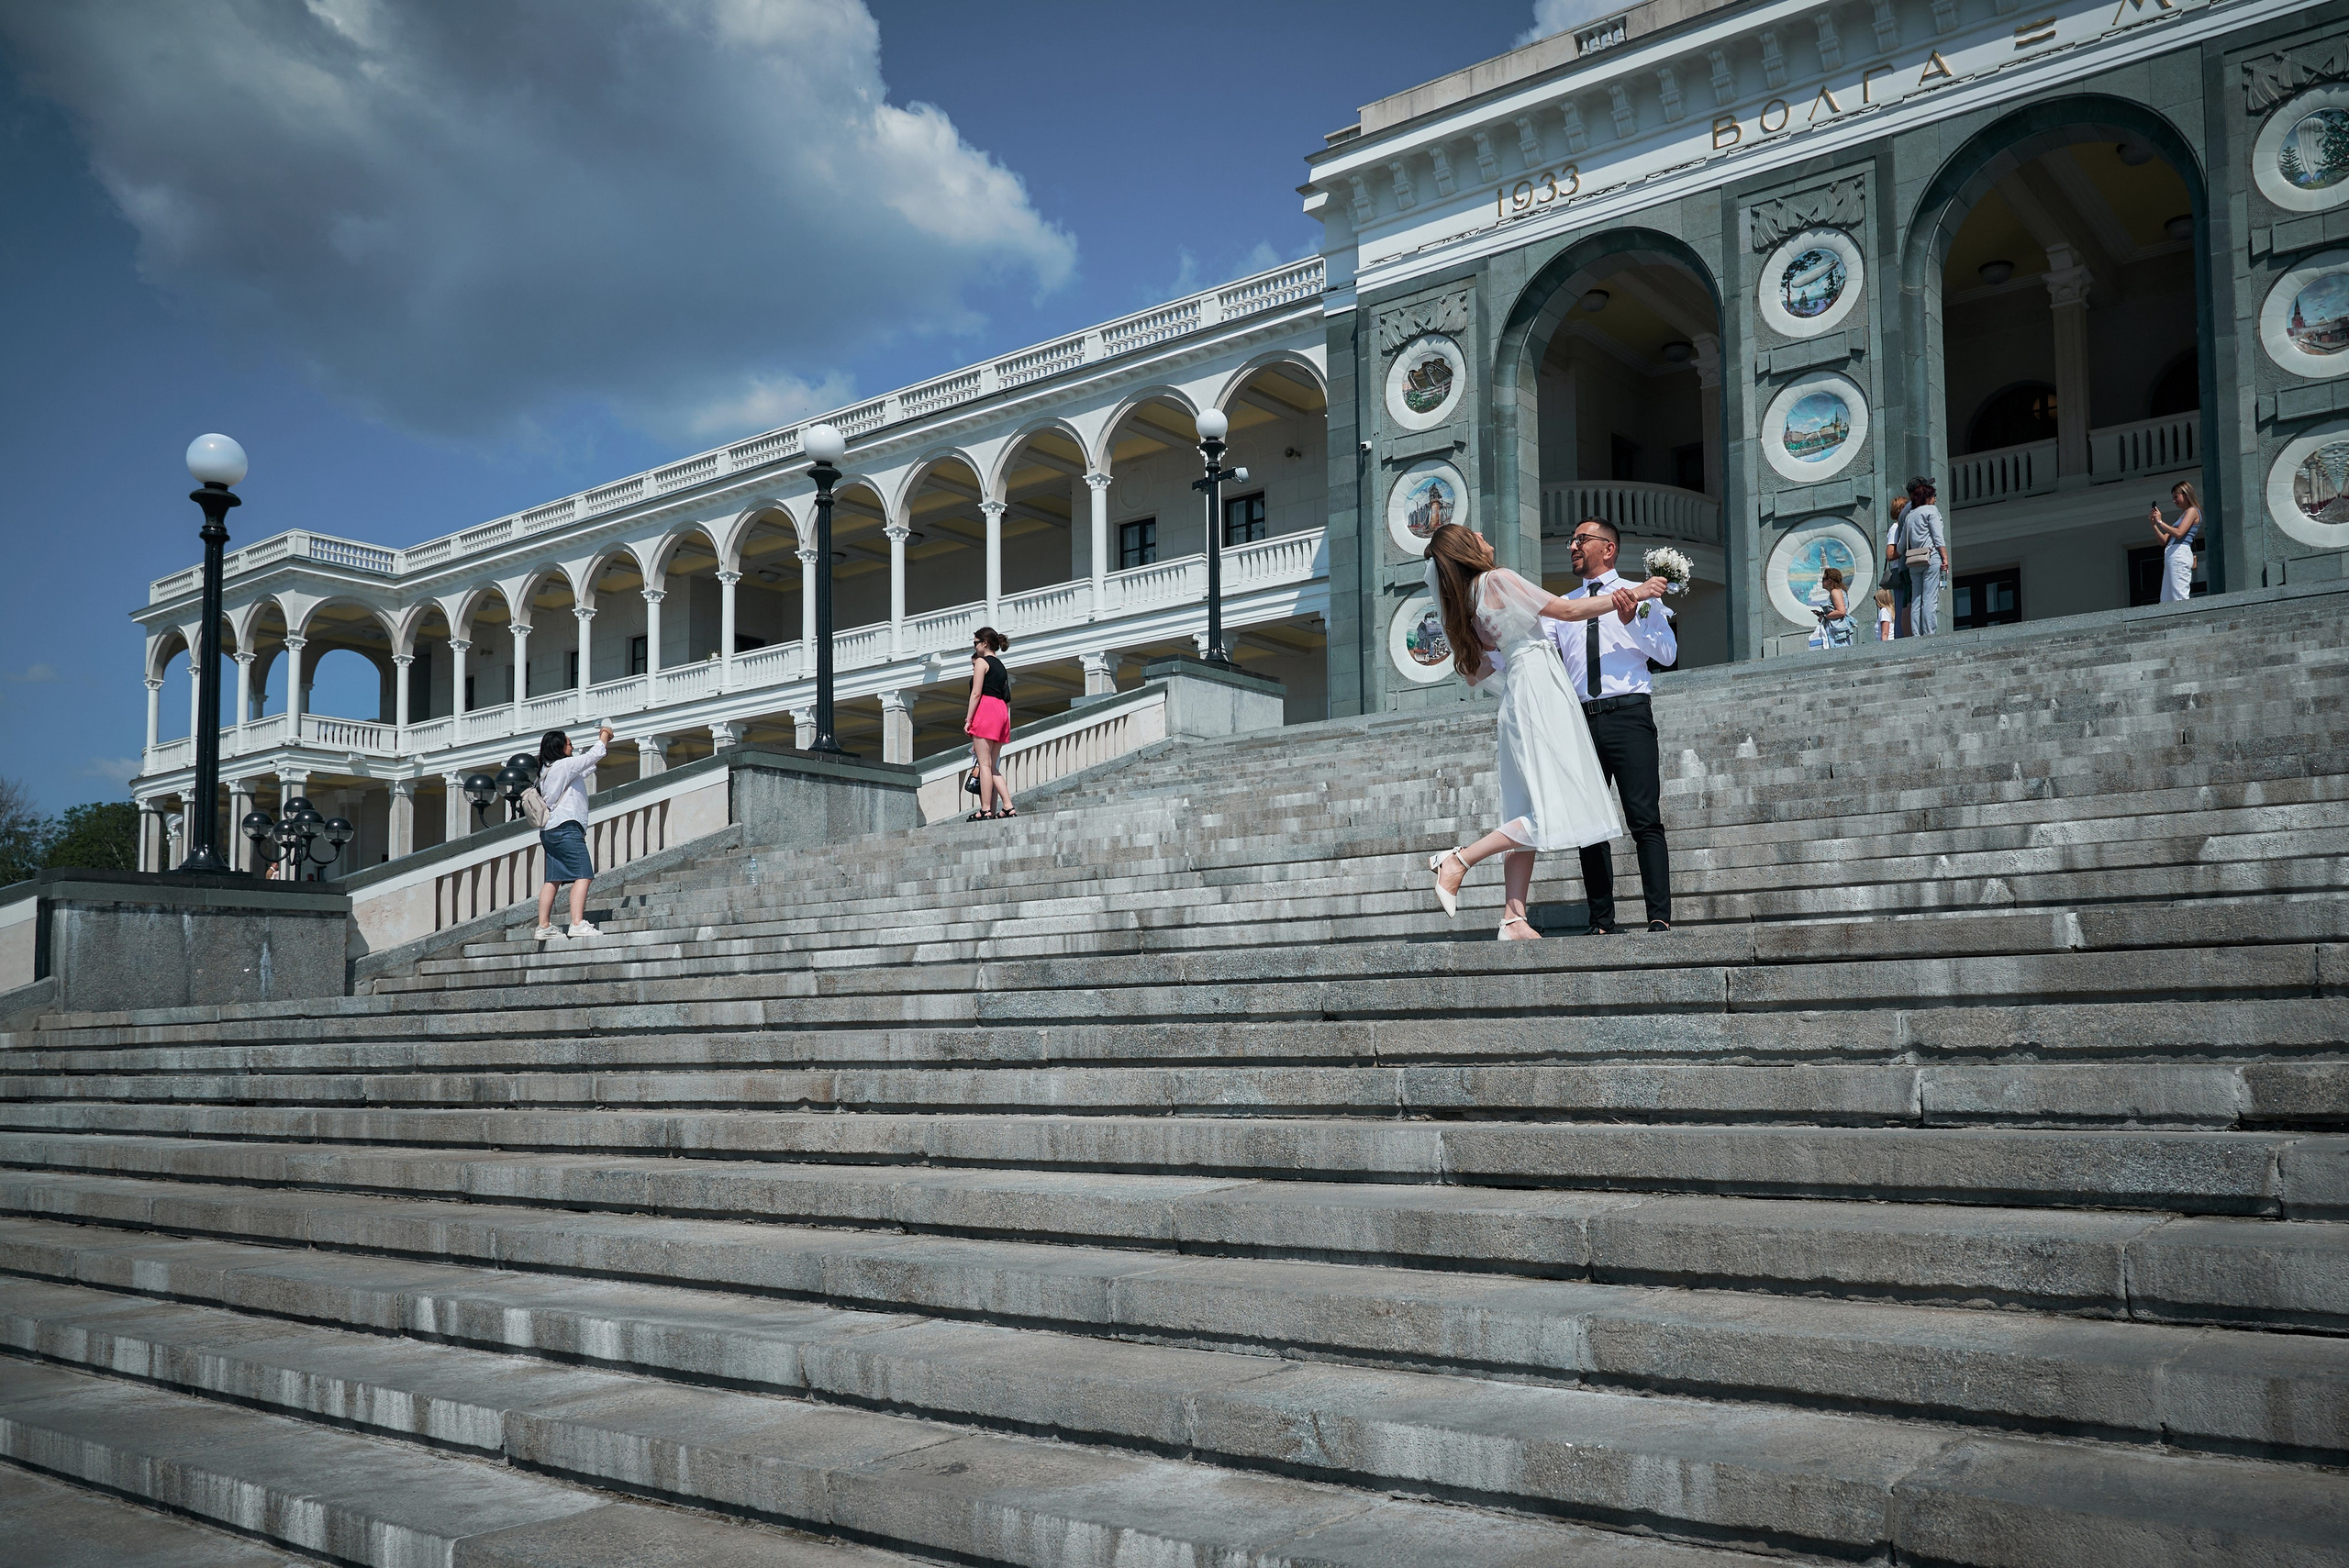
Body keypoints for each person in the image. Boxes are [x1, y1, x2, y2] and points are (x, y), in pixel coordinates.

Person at [1422, 521, 1665, 940]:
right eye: (1477, 535)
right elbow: (1568, 612)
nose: (1486, 537)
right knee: (1554, 810)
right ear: (1467, 548)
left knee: (1522, 808)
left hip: (1519, 694)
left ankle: (1513, 917)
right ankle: (1459, 860)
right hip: (1540, 690)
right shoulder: (1496, 579)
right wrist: (1637, 592)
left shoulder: (1465, 602)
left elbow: (1476, 672)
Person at [1547, 517, 1681, 933]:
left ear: (1608, 549)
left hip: (1629, 716)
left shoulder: (1641, 597)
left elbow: (1667, 653)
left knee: (1645, 820)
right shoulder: (1563, 607)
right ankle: (1601, 920)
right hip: (1581, 722)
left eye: (1581, 540)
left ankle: (1658, 917)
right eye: (1571, 540)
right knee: (1589, 825)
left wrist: (1633, 622)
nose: (1572, 546)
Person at [532, 723, 611, 940]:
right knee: (583, 874)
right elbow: (593, 755)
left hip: (550, 830)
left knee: (554, 878)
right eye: (568, 743)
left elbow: (586, 766)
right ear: (559, 747)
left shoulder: (547, 770)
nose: (572, 746)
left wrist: (600, 749)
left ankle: (544, 926)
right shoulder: (564, 765)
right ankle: (577, 923)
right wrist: (604, 735)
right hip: (567, 826)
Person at [963, 627, 1017, 820]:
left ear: (984, 643)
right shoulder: (1001, 665)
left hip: (986, 710)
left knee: (984, 764)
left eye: (975, 642)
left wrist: (969, 719)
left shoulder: (981, 663)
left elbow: (976, 693)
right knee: (992, 766)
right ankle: (1008, 805)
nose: (975, 646)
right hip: (1001, 712)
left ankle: (986, 809)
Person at [1901, 477, 1949, 636]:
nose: (1935, 499)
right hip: (1931, 557)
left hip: (1914, 561)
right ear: (1927, 497)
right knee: (1929, 599)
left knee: (1916, 599)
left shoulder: (1910, 515)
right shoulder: (1931, 511)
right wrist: (1945, 558)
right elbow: (1938, 537)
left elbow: (1902, 545)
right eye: (1934, 496)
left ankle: (1916, 634)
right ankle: (1929, 634)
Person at [2150, 481, 2202, 602]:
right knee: (2167, 597)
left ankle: (2184, 619)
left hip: (2180, 552)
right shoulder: (2182, 515)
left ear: (2186, 494)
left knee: (2179, 595)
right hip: (2172, 553)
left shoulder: (2193, 511)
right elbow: (2163, 541)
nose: (2174, 500)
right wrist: (2154, 525)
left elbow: (2179, 533)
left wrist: (2160, 522)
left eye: (2176, 497)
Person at [1814, 567, 1854, 648]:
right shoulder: (1839, 591)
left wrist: (1825, 616)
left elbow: (1841, 611)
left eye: (1823, 579)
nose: (1822, 581)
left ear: (1829, 580)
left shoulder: (1835, 592)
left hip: (1837, 632)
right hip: (1837, 630)